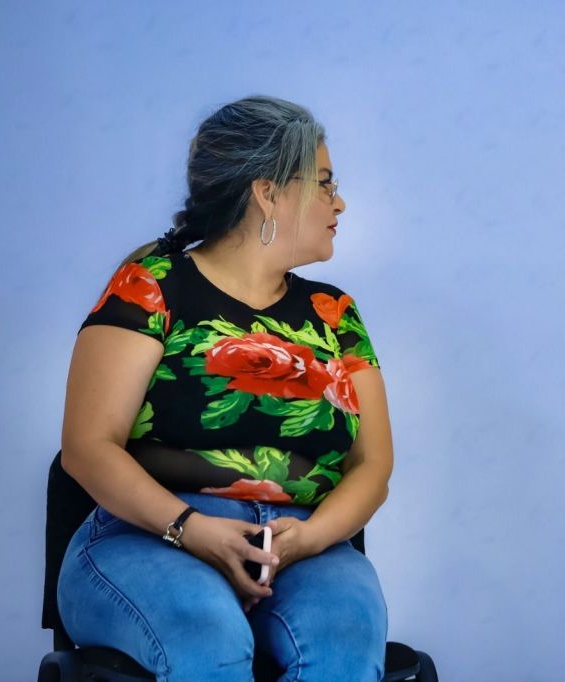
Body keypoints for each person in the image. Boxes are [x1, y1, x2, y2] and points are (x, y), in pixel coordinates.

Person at [58, 96, 391, 681]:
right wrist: (192, 529)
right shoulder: (151, 287)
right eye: (324, 183)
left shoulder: (334, 312)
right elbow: (88, 447)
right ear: (268, 192)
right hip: (152, 535)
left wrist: (310, 539)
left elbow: (373, 465)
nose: (338, 202)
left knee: (342, 643)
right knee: (207, 638)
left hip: (301, 545)